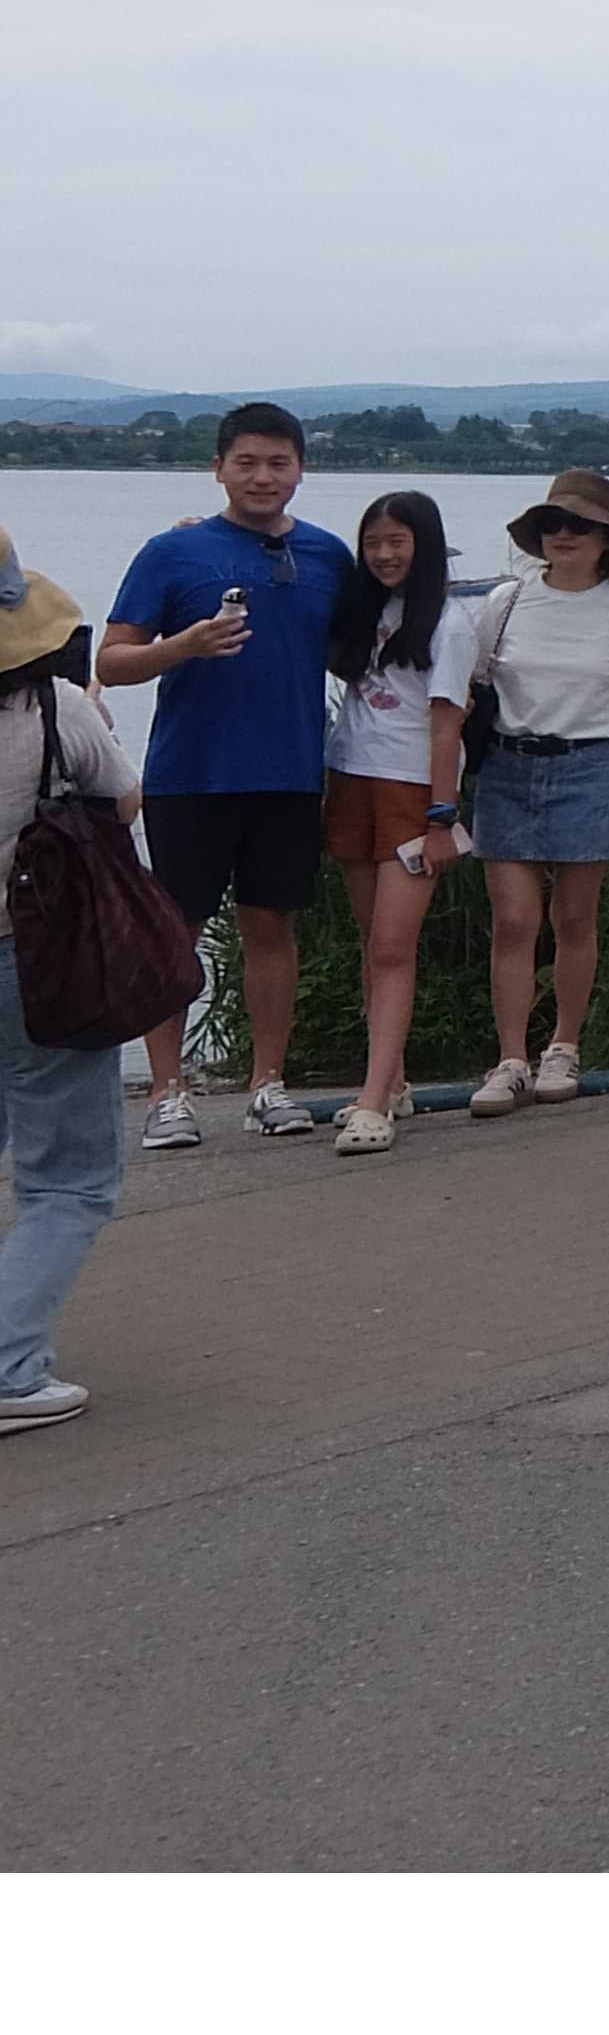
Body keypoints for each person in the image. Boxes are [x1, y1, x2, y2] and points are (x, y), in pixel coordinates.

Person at [97, 402, 355, 1149]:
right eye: (247, 462)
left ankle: (268, 1084)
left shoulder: (329, 556)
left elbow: (360, 649)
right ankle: (167, 1093)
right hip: (191, 775)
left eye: (279, 463)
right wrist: (183, 645)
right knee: (172, 933)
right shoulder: (172, 553)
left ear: (301, 470)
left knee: (271, 926)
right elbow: (110, 664)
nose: (263, 477)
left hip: (289, 775)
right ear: (218, 468)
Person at [464, 471, 609, 1116]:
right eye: (554, 524)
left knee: (574, 919)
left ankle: (565, 1045)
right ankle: (510, 1058)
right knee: (514, 921)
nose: (564, 535)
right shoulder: (507, 601)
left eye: (580, 526)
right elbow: (469, 679)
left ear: (608, 539)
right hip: (509, 765)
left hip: (590, 766)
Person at [2, 533, 140, 1434]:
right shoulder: (54, 708)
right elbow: (125, 801)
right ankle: (10, 1367)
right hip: (34, 958)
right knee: (69, 1178)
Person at [317, 492, 481, 1155]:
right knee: (371, 941)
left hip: (415, 791)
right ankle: (395, 1079)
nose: (384, 555)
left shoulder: (449, 620)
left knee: (393, 946)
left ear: (426, 545)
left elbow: (447, 723)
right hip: (351, 777)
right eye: (374, 542)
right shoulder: (363, 610)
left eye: (398, 542)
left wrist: (443, 818)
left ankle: (374, 1099)